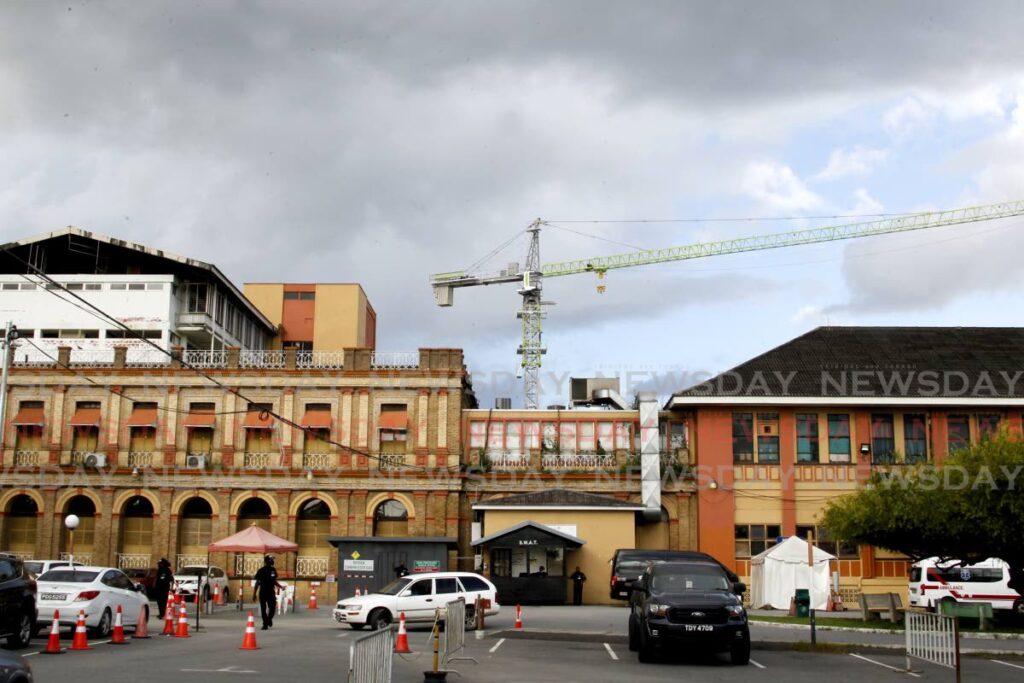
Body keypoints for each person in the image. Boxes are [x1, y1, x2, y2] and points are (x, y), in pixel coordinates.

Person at [252, 555, 284, 630]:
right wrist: (254, 594)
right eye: (271, 560)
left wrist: (280, 586)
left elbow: (273, 581)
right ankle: (266, 623)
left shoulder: (271, 570)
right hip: (265, 592)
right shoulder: (263, 570)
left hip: (267, 592)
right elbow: (257, 582)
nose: (272, 561)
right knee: (266, 609)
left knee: (271, 608)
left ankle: (268, 620)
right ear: (267, 561)